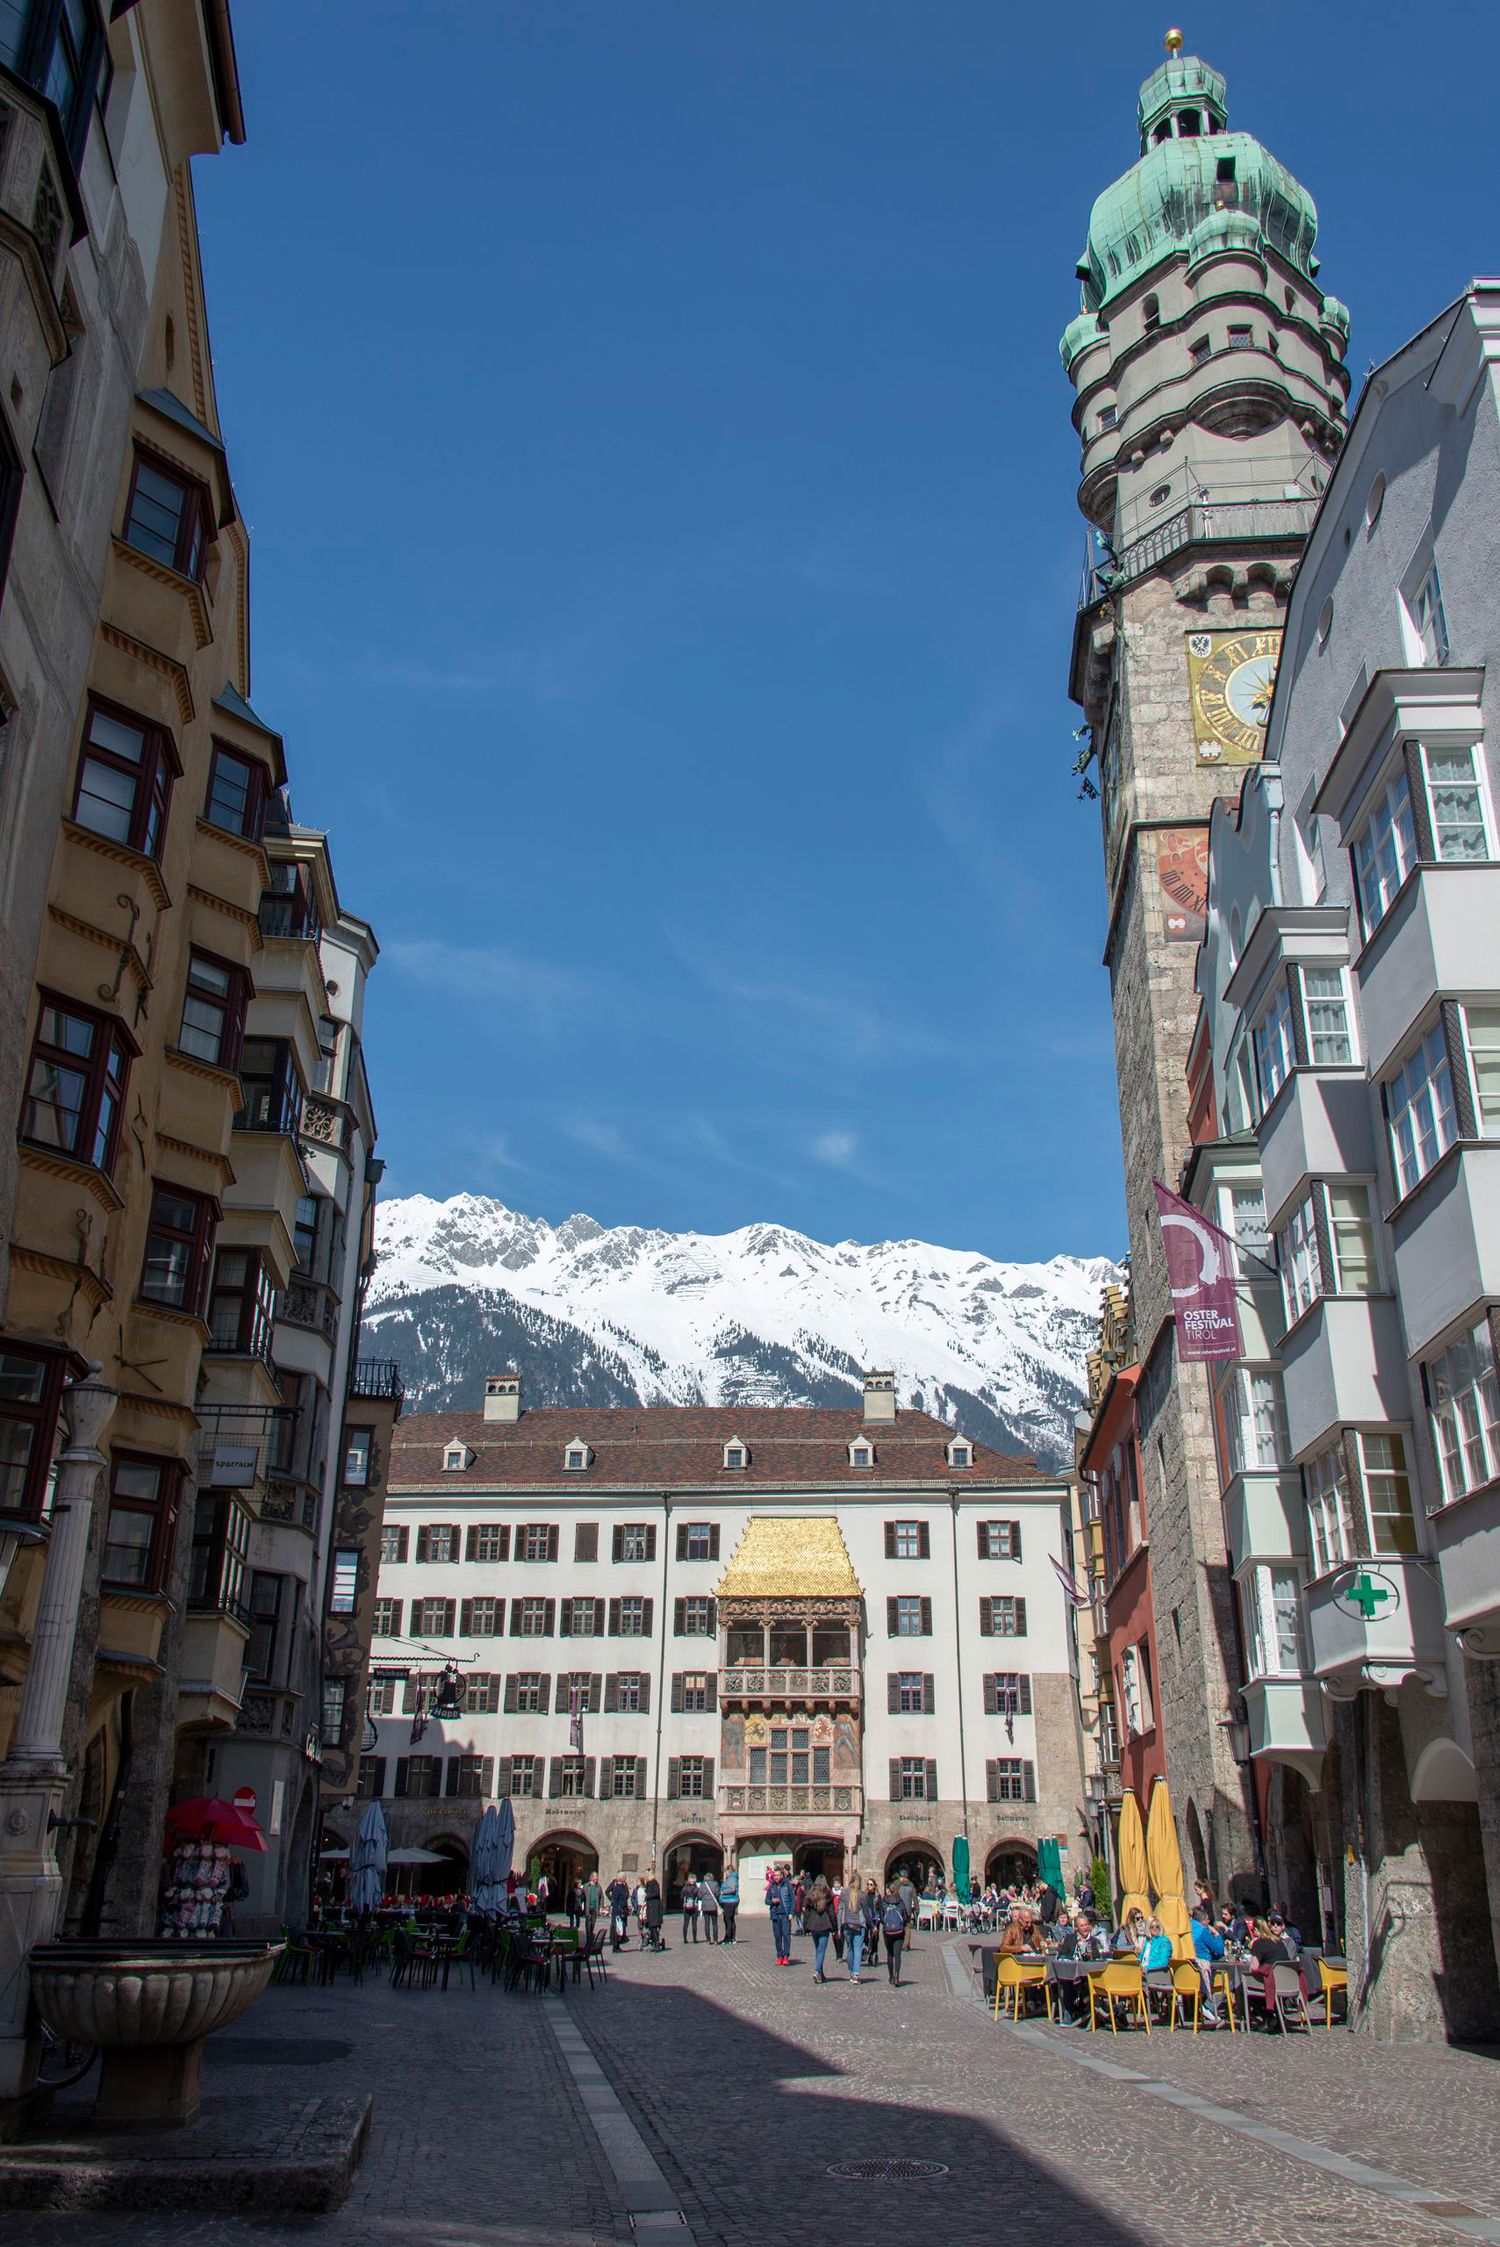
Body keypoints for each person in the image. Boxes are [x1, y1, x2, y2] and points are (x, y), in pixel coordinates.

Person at [1190, 1904, 1226, 2025]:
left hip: (1189, 1967)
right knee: (1229, 1979)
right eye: (1207, 1919)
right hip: (1202, 1965)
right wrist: (1217, 1934)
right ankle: (1208, 2006)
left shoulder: (1188, 1927)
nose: (1209, 1921)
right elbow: (1219, 1950)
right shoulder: (1203, 1931)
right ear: (1202, 1920)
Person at [803, 1876, 836, 1981]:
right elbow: (832, 1913)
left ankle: (820, 1974)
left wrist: (805, 1926)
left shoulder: (810, 1895)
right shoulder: (828, 1895)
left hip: (813, 1925)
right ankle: (817, 1971)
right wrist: (835, 1928)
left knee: (818, 1949)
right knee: (821, 1950)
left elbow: (807, 1913)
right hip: (824, 1925)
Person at [838, 1872, 866, 1983]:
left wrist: (839, 1926)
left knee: (850, 1948)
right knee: (857, 1949)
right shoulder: (862, 1894)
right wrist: (871, 1924)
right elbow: (866, 1911)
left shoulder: (844, 1893)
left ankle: (851, 1971)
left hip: (847, 1924)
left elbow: (840, 1910)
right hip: (859, 1925)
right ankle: (855, 1974)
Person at [881, 1884, 909, 1985]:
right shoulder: (900, 1901)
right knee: (897, 1954)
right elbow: (905, 1916)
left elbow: (881, 1916)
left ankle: (891, 1977)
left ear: (888, 1890)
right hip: (899, 1931)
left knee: (890, 1954)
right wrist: (902, 1924)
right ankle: (897, 1976)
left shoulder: (884, 1901)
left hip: (888, 1932)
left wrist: (886, 1924)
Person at [769, 1865, 794, 1964]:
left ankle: (786, 1956)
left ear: (782, 1876)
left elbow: (793, 1900)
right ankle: (780, 1956)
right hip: (775, 1915)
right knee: (778, 1937)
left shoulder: (787, 1885)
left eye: (778, 1875)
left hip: (785, 1915)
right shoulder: (772, 1886)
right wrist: (772, 1901)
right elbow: (766, 1900)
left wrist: (791, 1913)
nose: (776, 1877)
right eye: (775, 1875)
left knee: (786, 1935)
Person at [862, 1877, 883, 1970]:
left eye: (871, 1884)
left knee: (874, 1937)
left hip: (875, 1919)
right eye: (868, 1884)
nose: (869, 1886)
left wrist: (881, 1919)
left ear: (874, 1886)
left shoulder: (878, 1896)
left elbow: (880, 1908)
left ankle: (874, 1954)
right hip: (866, 1919)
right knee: (865, 1936)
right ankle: (868, 1949)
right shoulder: (864, 1895)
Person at [718, 1862, 740, 1945]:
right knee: (730, 1919)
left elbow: (732, 1889)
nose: (725, 1873)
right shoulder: (731, 1878)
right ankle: (731, 1937)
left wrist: (723, 1892)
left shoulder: (731, 1878)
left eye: (725, 1871)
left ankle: (728, 1937)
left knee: (728, 1919)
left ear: (729, 1871)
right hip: (729, 1901)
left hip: (730, 1901)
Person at [608, 1873, 630, 1950]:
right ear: (621, 1878)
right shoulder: (617, 1888)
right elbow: (615, 1900)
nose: (625, 1879)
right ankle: (615, 1946)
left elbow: (626, 1896)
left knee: (621, 1928)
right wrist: (618, 1910)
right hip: (618, 1911)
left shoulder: (623, 1886)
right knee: (617, 1928)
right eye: (624, 1878)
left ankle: (618, 1944)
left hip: (623, 1910)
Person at [644, 1875, 665, 1952]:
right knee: (650, 1927)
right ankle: (653, 1942)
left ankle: (656, 1943)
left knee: (654, 1927)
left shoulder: (655, 1883)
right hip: (650, 1909)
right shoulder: (648, 1884)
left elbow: (656, 1893)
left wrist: (648, 1896)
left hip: (654, 1909)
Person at [700, 1872, 720, 1944]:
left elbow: (699, 1895)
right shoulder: (715, 1884)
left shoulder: (702, 1885)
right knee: (714, 1923)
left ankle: (708, 1940)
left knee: (707, 1923)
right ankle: (715, 1940)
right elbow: (717, 1894)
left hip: (705, 1906)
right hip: (713, 1906)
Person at [681, 1873, 700, 1942]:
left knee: (686, 1923)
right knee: (694, 1923)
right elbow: (699, 1897)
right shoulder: (697, 1888)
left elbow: (681, 1896)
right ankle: (694, 1939)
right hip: (694, 1907)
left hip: (686, 1907)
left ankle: (685, 1939)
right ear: (695, 1880)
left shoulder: (685, 1888)